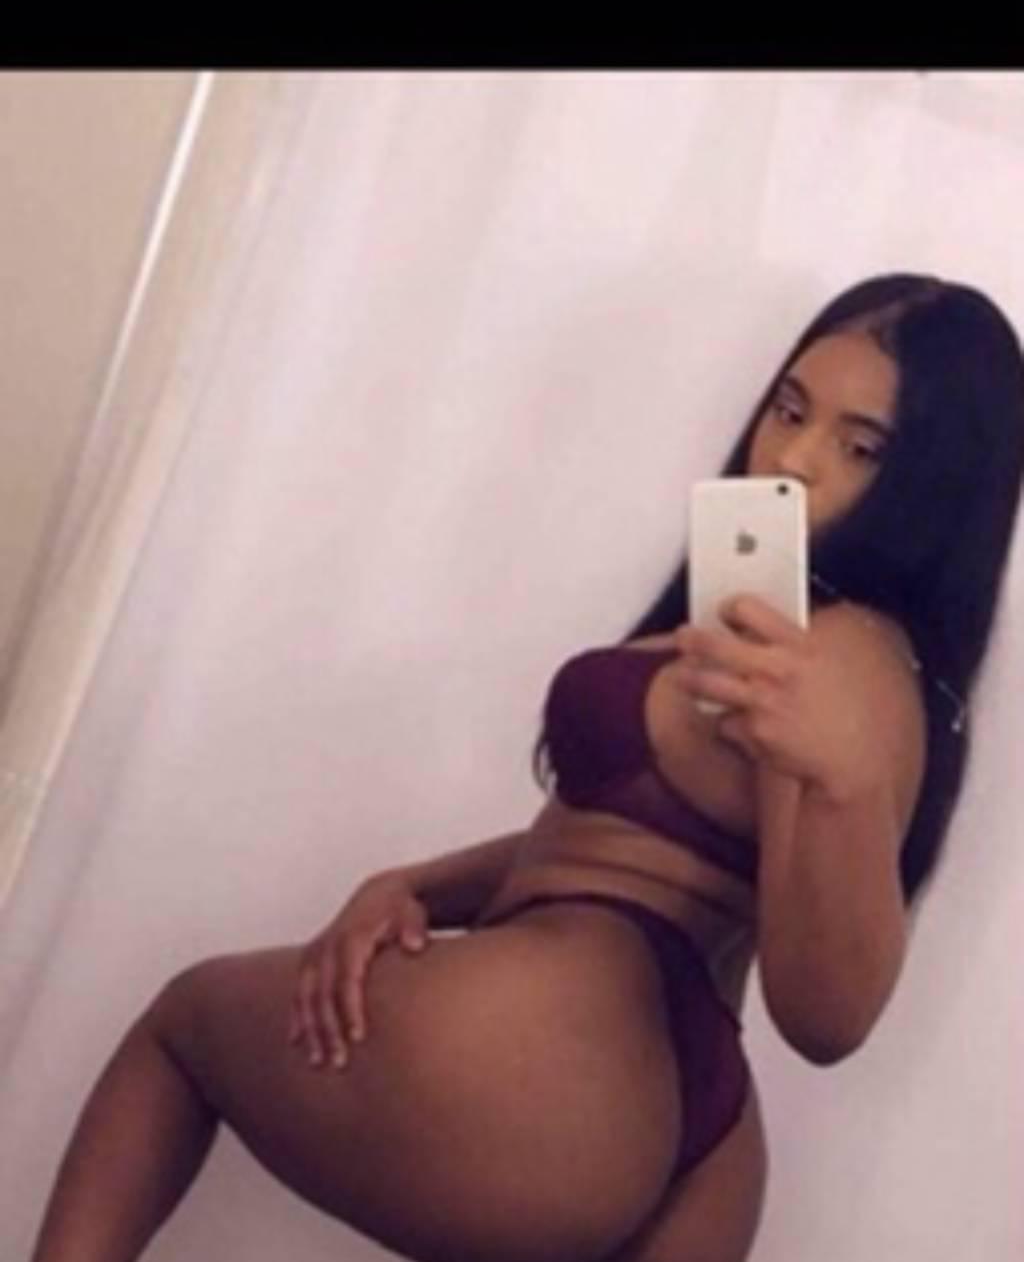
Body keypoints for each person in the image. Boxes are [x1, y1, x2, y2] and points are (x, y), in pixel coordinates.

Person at [28, 274, 1024, 1262]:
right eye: (790, 409)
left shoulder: (831, 665)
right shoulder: (831, 639)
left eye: (861, 446)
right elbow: (654, 842)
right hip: (701, 1142)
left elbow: (828, 1016)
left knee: (184, 1028)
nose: (795, 459)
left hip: (558, 1049)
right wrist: (420, 885)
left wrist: (848, 793)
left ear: (938, 481)